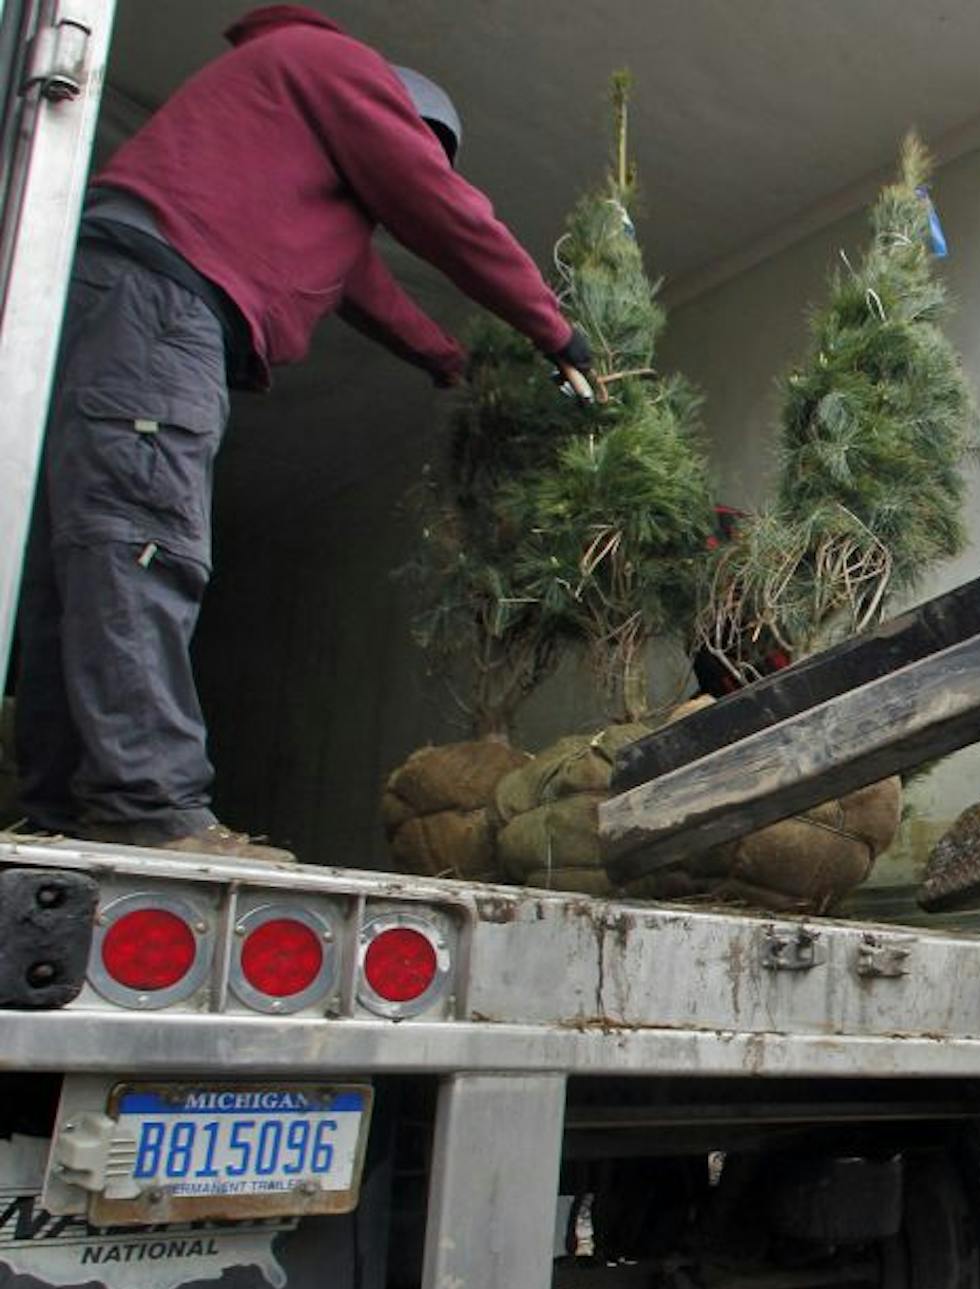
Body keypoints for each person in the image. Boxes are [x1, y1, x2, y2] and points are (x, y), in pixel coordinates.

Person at [14, 5, 600, 862]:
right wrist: (554, 329)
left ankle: (62, 806)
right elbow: (439, 208)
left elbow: (364, 286)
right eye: (417, 148)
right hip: (163, 300)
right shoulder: (335, 67)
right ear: (404, 122)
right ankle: (151, 805)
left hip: (126, 294)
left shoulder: (284, 144)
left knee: (86, 552)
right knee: (143, 540)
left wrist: (449, 362)